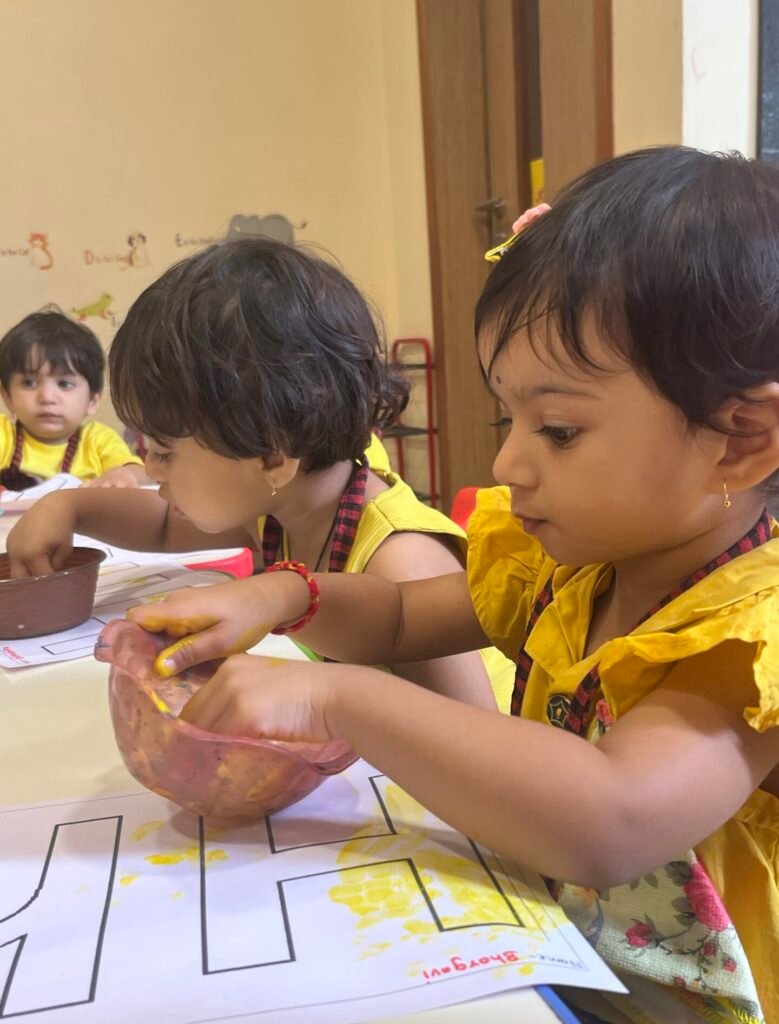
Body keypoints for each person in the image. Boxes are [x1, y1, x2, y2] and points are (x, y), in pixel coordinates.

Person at [120, 148, 779, 1023]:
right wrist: (281, 596)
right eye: (510, 417)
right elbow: (398, 616)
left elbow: (610, 819)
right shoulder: (570, 566)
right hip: (561, 955)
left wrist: (333, 698)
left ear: (740, 440)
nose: (507, 463)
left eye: (558, 430)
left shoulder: (747, 632)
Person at [7, 239, 513, 709]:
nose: (150, 469)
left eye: (164, 451)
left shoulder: (400, 559)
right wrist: (68, 506)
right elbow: (161, 524)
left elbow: (477, 740)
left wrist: (321, 706)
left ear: (271, 456)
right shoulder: (282, 505)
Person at [0, 308, 145, 489]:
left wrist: (123, 475)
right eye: (29, 383)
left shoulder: (97, 440)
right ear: (7, 397)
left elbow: (141, 474)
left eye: (64, 384)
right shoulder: (4, 434)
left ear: (92, 400)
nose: (47, 397)